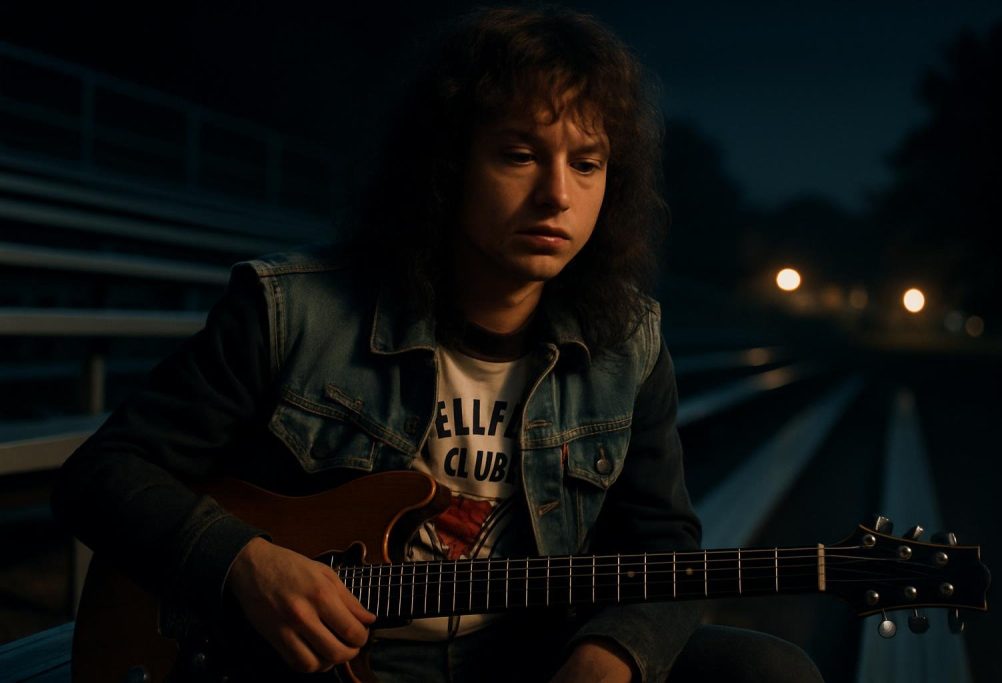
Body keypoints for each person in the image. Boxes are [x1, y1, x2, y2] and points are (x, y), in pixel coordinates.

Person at [53, 6, 824, 682]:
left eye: (586, 164)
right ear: (447, 163)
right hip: (304, 659)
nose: (558, 192)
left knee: (769, 667)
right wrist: (244, 562)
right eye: (520, 155)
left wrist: (611, 656)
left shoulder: (629, 345)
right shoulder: (294, 312)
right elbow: (100, 474)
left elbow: (663, 541)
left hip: (520, 651)